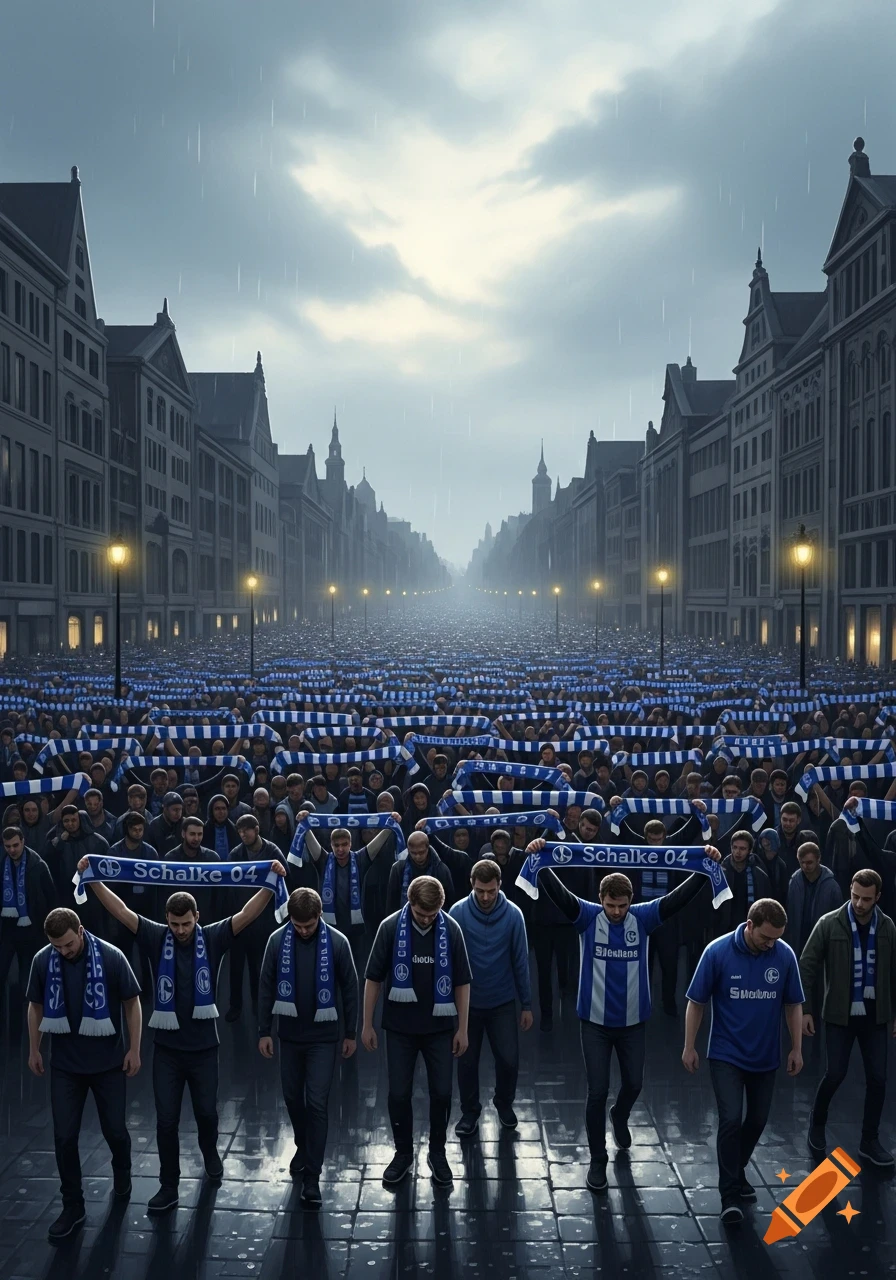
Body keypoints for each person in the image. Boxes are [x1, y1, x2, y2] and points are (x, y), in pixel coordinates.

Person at [77, 851, 287, 1212]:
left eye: (186, 924)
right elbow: (122, 912)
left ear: (197, 918)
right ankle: (168, 1185)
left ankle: (209, 1152)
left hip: (205, 1047)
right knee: (166, 1121)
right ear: (167, 921)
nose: (180, 931)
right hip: (167, 1049)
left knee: (207, 1114)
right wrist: (93, 879)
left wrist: (270, 882)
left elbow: (246, 916)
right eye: (174, 924)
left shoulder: (214, 936)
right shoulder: (157, 937)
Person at [524, 836, 721, 1192]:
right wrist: (542, 858)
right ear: (601, 900)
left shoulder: (643, 919)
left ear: (632, 902)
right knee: (597, 1090)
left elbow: (676, 901)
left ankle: (620, 1115)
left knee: (634, 1084)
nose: (617, 912)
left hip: (632, 1024)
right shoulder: (587, 917)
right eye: (611, 905)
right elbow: (559, 894)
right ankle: (598, 1160)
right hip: (595, 1024)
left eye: (623, 905)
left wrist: (703, 867)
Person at [26, 906, 142, 1242]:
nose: (63, 952)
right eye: (56, 947)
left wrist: (134, 1049)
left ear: (80, 930)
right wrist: (34, 1048)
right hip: (65, 1064)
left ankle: (122, 1171)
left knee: (116, 1131)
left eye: (67, 945)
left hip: (107, 1064)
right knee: (64, 1137)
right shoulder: (43, 960)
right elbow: (35, 1006)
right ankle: (72, 1206)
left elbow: (132, 1002)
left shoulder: (111, 956)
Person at [684, 896, 804, 1222]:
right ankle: (730, 1196)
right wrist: (689, 1046)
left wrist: (796, 1048)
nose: (770, 944)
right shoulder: (717, 952)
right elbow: (697, 1001)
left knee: (758, 1121)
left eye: (776, 938)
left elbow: (793, 1004)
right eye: (766, 937)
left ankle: (736, 1168)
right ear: (750, 925)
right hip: (726, 1054)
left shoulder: (784, 955)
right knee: (731, 1119)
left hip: (765, 1056)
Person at [362, 874, 472, 1186]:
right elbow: (373, 978)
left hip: (439, 1027)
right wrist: (366, 1023)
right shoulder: (389, 928)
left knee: (442, 1093)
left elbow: (463, 982)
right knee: (398, 1093)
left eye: (432, 914)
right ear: (409, 903)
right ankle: (403, 1153)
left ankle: (437, 1152)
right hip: (399, 1028)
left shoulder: (451, 929)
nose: (426, 919)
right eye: (421, 913)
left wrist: (463, 1028)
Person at [258, 887, 359, 1205]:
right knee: (291, 1097)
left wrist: (351, 1033)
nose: (302, 931)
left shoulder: (338, 943)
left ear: (319, 917)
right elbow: (265, 987)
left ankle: (312, 1176)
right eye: (297, 926)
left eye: (309, 926)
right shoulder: (276, 941)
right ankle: (304, 1144)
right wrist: (264, 1031)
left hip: (323, 1039)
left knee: (317, 1103)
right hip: (289, 1035)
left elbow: (350, 989)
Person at [800, 868, 896, 1168]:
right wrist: (805, 1010)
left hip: (875, 1015)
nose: (859, 903)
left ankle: (869, 1140)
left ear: (877, 897)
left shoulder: (888, 927)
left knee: (878, 1079)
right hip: (840, 1014)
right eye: (855, 896)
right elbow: (807, 966)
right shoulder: (829, 924)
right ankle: (817, 1124)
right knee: (835, 1074)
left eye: (866, 899)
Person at [449, 859, 532, 1135]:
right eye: (480, 891)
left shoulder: (514, 915)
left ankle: (504, 1103)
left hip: (502, 1002)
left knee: (509, 1060)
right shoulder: (457, 913)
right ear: (472, 885)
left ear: (499, 886)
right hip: (467, 1005)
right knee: (467, 1062)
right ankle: (470, 1112)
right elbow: (448, 962)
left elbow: (521, 960)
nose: (485, 897)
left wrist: (527, 1004)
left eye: (491, 891)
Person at [225, 814, 283, 1022]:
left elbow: (285, 879)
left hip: (264, 919)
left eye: (246, 830)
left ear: (256, 830)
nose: (243, 834)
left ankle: (260, 1005)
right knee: (236, 967)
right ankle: (235, 1006)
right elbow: (229, 886)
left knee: (259, 967)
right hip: (240, 918)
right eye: (240, 831)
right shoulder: (235, 853)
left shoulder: (272, 851)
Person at [1, 825, 57, 1017]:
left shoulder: (38, 865)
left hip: (31, 930)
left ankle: (30, 1019)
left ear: (23, 841)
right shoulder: (2, 864)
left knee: (28, 977)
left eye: (15, 845)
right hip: (6, 930)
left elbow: (51, 899)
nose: (12, 850)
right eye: (7, 846)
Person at [782, 841, 842, 956]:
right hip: (798, 941)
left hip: (822, 943)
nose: (805, 866)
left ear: (818, 859)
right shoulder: (794, 882)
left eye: (809, 862)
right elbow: (790, 913)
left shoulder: (832, 887)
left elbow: (837, 920)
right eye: (802, 862)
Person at [385, 830, 455, 914]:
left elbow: (449, 902)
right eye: (413, 853)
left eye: (421, 852)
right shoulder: (398, 869)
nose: (418, 857)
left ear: (428, 847)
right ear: (408, 850)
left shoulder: (441, 870)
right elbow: (392, 902)